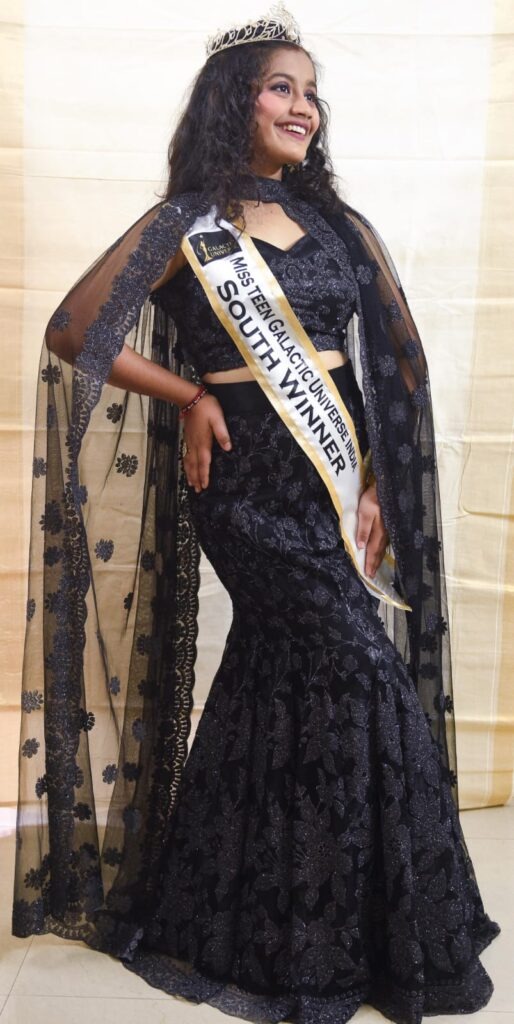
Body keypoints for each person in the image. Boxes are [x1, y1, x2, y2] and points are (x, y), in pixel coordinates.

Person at [13, 5, 501, 1022]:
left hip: (331, 481)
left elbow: (401, 359)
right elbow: (74, 328)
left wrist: (377, 482)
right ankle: (343, 928)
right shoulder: (184, 224)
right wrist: (190, 393)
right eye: (282, 87)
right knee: (356, 665)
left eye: (311, 92)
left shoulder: (339, 226)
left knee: (282, 677)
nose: (303, 108)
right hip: (242, 487)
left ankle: (246, 908)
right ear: (233, 102)